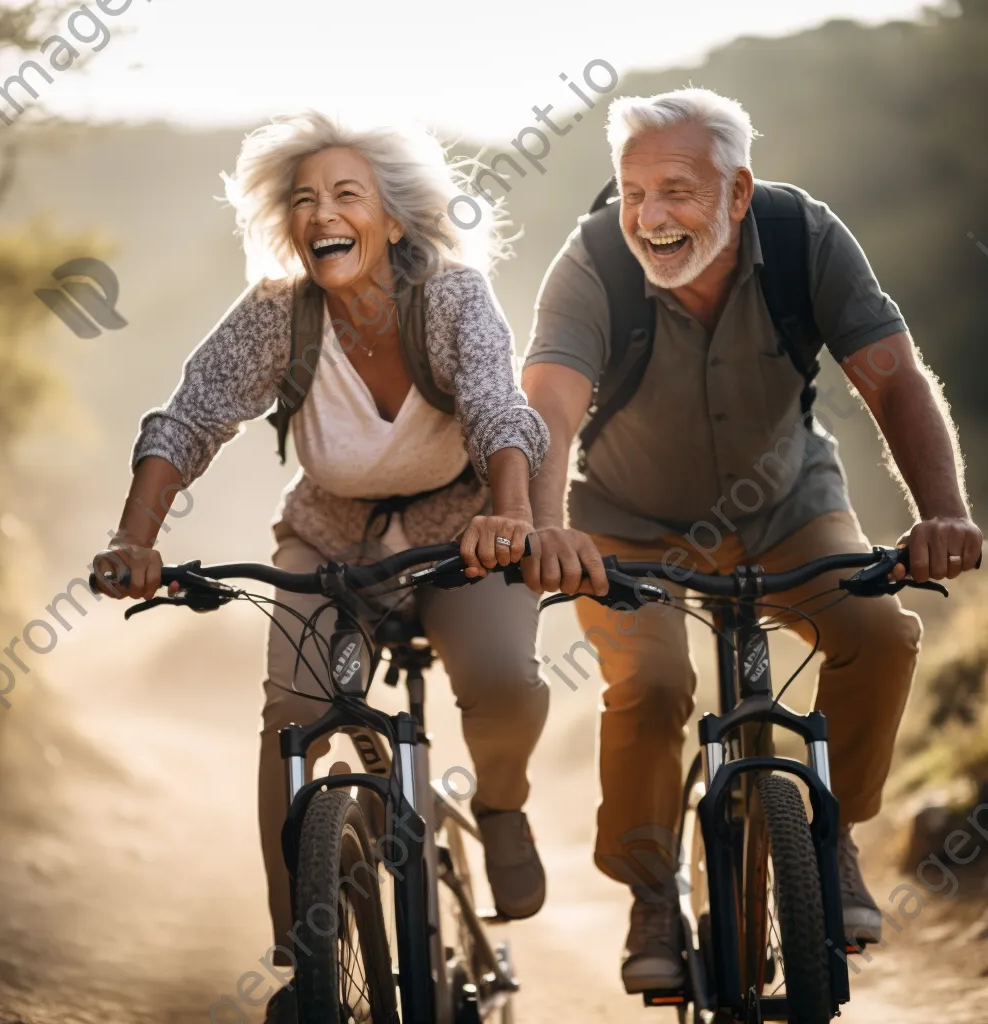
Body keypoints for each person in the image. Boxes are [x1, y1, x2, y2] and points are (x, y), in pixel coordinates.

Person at [520, 88, 983, 994]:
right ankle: (653, 886)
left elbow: (894, 383)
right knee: (652, 687)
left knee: (883, 635)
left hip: (788, 508)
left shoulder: (804, 238)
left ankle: (830, 831)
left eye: (678, 191)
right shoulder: (593, 263)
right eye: (633, 191)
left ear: (738, 193)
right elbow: (547, 407)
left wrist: (943, 511)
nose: (650, 216)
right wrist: (546, 530)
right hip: (624, 526)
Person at [91, 111, 551, 1022]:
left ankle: (501, 806)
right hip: (328, 539)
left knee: (503, 680)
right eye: (303, 199)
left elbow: (504, 411)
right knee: (295, 714)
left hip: (462, 535)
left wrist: (509, 514)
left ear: (393, 220)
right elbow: (190, 417)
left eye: (346, 195)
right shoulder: (280, 311)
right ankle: (303, 952)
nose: (321, 213)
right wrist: (134, 539)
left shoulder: (452, 298)